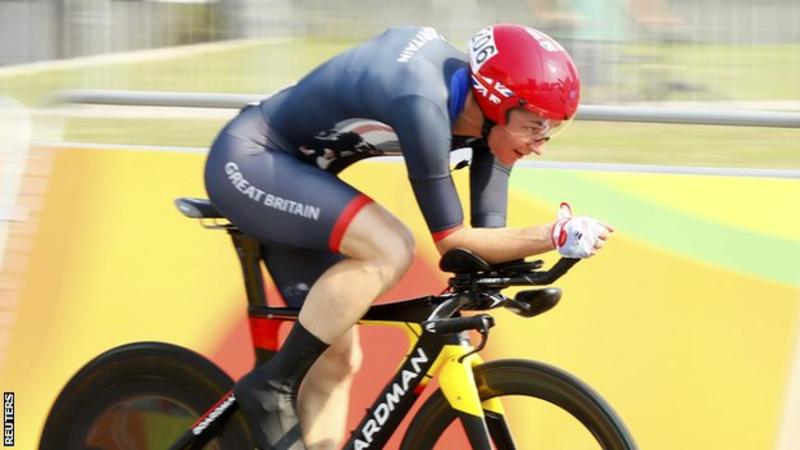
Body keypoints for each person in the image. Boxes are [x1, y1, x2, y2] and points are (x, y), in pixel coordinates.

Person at [204, 23, 613, 450]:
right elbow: (454, 241)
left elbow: (485, 240)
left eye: (551, 131)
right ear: (495, 103)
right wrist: (553, 233)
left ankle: (286, 391)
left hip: (301, 172)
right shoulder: (422, 101)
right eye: (533, 127)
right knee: (391, 245)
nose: (540, 145)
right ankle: (273, 386)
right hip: (252, 160)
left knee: (335, 361)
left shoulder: (492, 121)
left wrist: (519, 269)